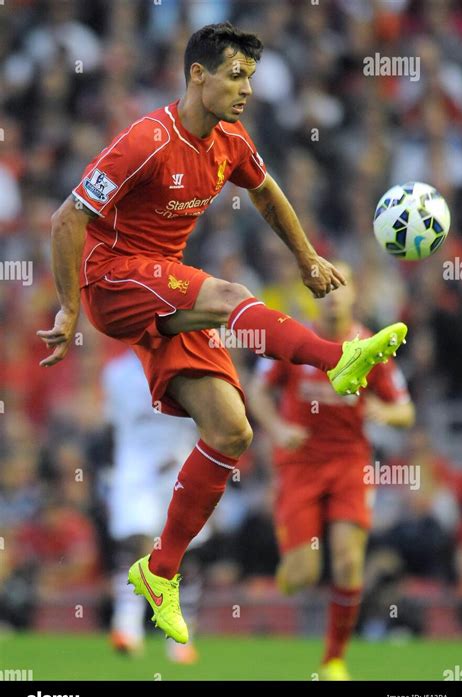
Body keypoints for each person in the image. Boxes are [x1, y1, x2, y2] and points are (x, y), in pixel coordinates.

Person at [37, 22, 407, 644]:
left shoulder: (230, 142)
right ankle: (337, 358)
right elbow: (65, 219)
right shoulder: (147, 140)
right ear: (197, 75)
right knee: (233, 296)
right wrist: (69, 310)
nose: (246, 90)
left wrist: (307, 257)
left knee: (232, 429)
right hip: (112, 279)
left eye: (252, 79)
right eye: (236, 76)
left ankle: (161, 572)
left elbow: (268, 195)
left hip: (163, 290)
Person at [248, 263, 415, 679]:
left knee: (346, 562)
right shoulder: (294, 339)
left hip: (349, 464)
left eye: (344, 285)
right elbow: (256, 392)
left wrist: (384, 411)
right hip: (300, 464)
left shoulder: (370, 346)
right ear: (314, 290)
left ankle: (333, 660)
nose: (335, 294)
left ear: (355, 292)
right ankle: (288, 574)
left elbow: (406, 410)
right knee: (303, 576)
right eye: (329, 285)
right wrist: (277, 427)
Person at [102, 349, 203, 662]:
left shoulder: (187, 363)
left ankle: (181, 638)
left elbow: (206, 419)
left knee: (180, 555)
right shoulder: (116, 373)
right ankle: (127, 629)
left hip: (180, 467)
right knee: (138, 543)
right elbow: (114, 424)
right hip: (135, 471)